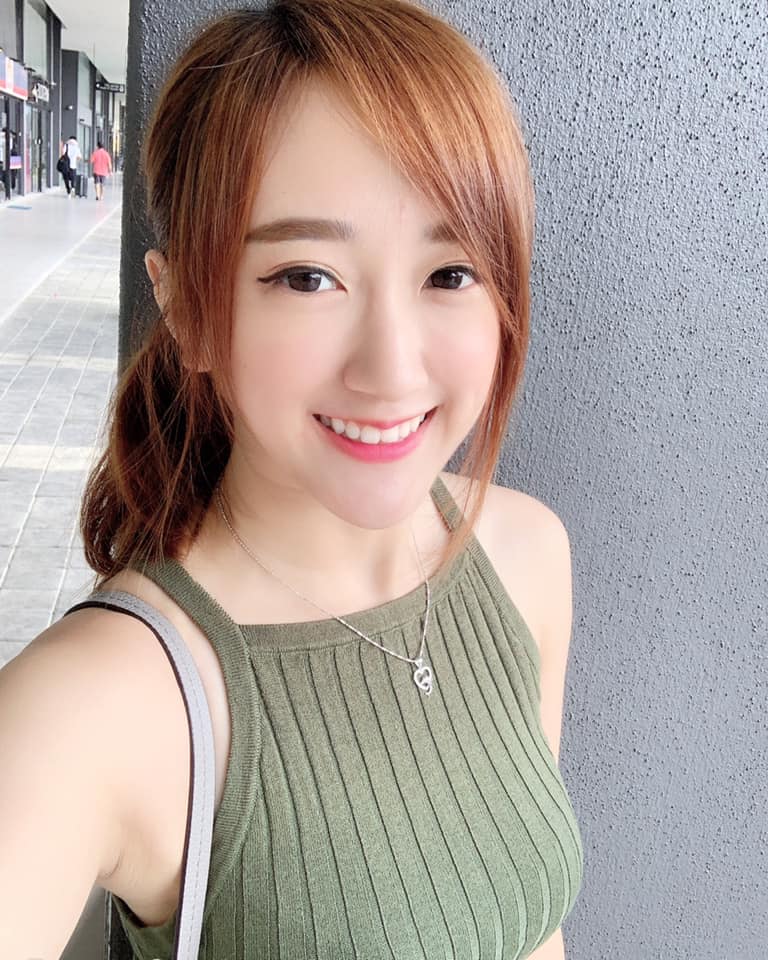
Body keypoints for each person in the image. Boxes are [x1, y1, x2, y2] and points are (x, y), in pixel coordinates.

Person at [0, 2, 584, 958]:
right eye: (308, 276)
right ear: (188, 308)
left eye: (450, 273)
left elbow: (528, 923)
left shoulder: (524, 558)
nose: (391, 369)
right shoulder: (98, 706)